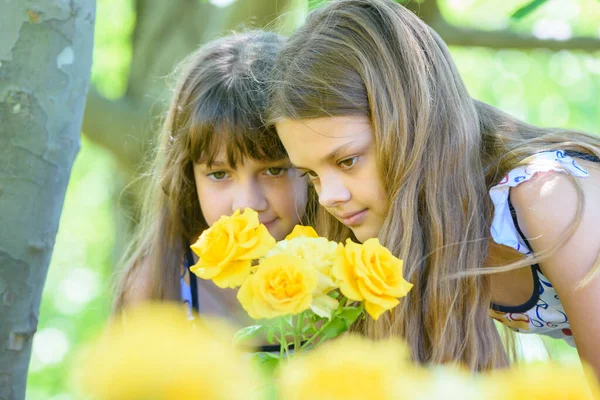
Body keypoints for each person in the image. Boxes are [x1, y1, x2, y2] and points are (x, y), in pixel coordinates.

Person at [270, 0, 600, 375]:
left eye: (347, 161)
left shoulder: (549, 196)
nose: (328, 195)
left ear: (414, 128)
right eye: (311, 174)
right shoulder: (422, 226)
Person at [113, 31, 314, 343]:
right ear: (188, 177)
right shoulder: (158, 286)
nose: (247, 204)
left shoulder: (344, 272)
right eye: (219, 175)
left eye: (274, 170)